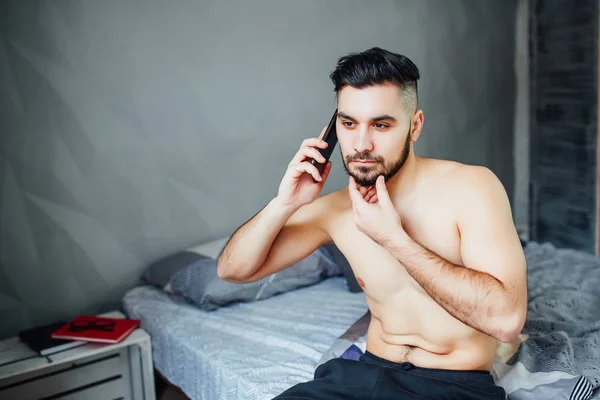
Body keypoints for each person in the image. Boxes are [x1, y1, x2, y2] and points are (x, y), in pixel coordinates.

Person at [216, 47, 527, 400]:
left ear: (415, 126)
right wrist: (283, 203)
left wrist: (394, 240)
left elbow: (506, 322)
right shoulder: (333, 210)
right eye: (348, 124)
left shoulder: (472, 188)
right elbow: (231, 271)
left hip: (453, 384)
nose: (361, 144)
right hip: (365, 373)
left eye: (380, 125)